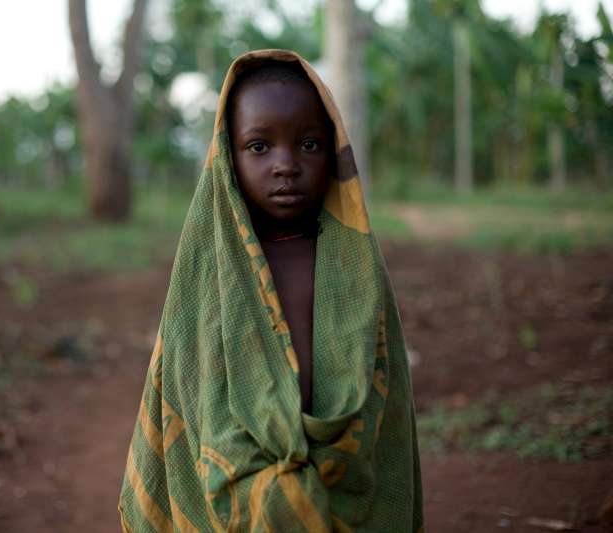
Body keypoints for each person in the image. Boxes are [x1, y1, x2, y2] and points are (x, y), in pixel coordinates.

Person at [119, 49, 423, 532]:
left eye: (308, 144)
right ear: (227, 155)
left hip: (340, 481)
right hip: (235, 485)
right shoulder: (210, 273)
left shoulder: (356, 270)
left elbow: (382, 398)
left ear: (335, 150)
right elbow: (194, 391)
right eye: (260, 147)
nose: (286, 164)